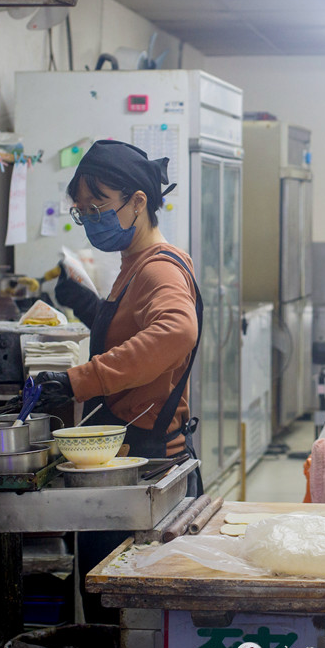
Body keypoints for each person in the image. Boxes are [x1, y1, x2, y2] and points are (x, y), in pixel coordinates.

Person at [31, 140, 203, 478]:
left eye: (97, 208)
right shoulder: (136, 262)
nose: (91, 220)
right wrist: (85, 305)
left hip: (150, 459)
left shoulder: (158, 268)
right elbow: (134, 331)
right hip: (132, 449)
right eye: (82, 211)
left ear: (138, 201)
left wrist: (79, 381)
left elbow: (177, 332)